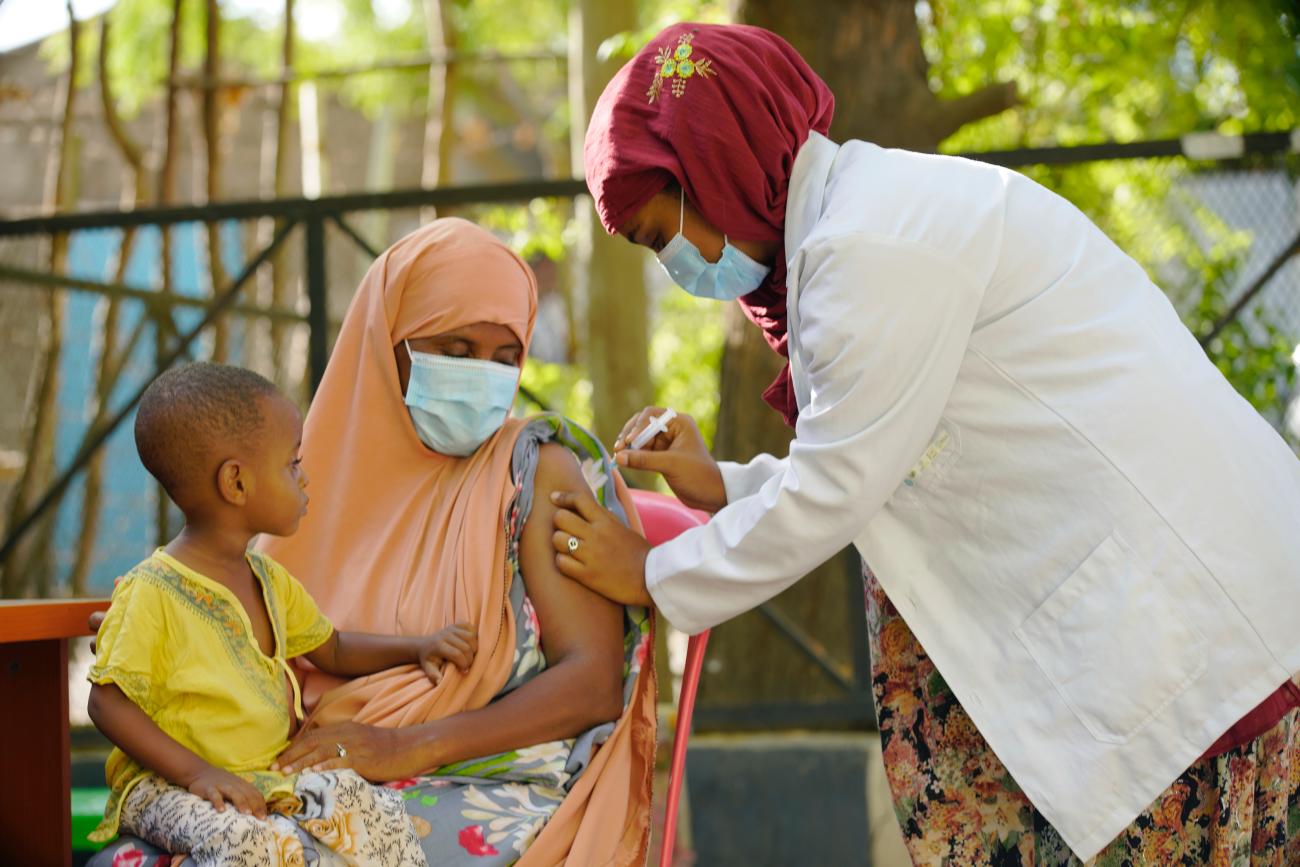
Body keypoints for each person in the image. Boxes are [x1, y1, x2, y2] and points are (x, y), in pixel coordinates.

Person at [549, 21, 1300, 864]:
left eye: (663, 234)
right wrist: (722, 484)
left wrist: (649, 573)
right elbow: (891, 458)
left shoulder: (867, 247)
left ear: (718, 165)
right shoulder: (865, 224)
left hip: (1179, 623)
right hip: (1157, 610)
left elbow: (842, 484)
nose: (675, 268)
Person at [91, 218, 657, 866]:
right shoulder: (304, 471)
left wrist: (404, 746)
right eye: (456, 347)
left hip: (482, 774)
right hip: (303, 774)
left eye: (506, 358)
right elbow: (262, 647)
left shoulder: (533, 468)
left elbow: (590, 685)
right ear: (386, 339)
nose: (484, 377)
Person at [87, 362, 451, 863]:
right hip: (164, 785)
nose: (304, 479)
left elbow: (335, 648)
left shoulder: (269, 579)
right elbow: (107, 704)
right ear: (236, 483)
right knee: (248, 842)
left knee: (368, 806)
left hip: (263, 772)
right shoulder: (152, 590)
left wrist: (419, 646)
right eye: (292, 463)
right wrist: (197, 773)